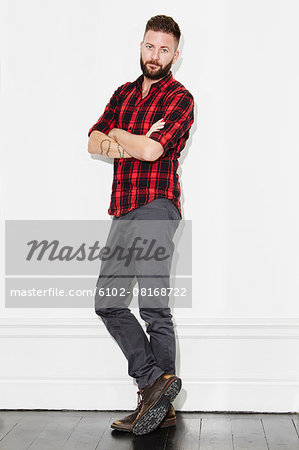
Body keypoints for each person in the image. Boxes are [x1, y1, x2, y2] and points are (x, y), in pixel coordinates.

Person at [87, 14, 194, 435]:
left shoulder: (180, 98)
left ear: (175, 55)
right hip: (122, 208)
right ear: (141, 46)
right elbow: (93, 140)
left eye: (165, 49)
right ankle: (155, 385)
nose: (156, 55)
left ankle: (156, 401)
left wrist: (120, 136)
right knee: (107, 302)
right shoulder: (123, 93)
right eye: (150, 46)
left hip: (156, 206)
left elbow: (152, 152)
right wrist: (123, 136)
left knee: (152, 307)